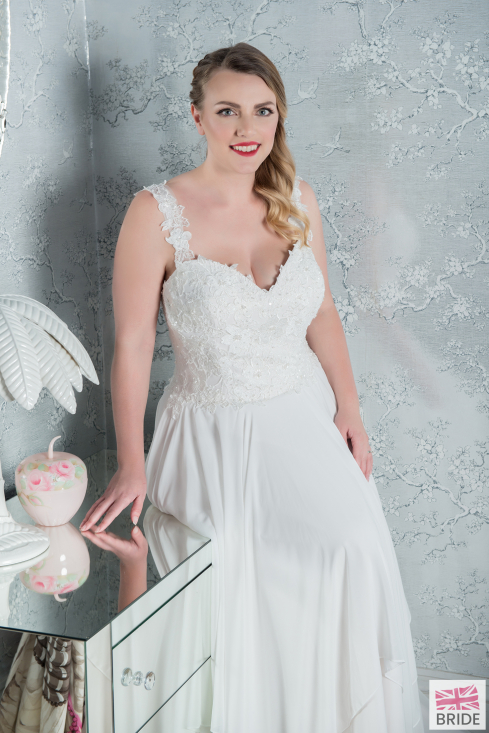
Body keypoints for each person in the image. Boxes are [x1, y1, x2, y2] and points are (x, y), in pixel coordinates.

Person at [80, 42, 424, 733]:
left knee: (351, 549)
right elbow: (133, 345)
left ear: (279, 116)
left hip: (300, 418)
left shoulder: (298, 200)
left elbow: (322, 313)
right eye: (227, 111)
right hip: (209, 430)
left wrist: (349, 408)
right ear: (197, 116)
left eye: (263, 111)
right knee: (239, 586)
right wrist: (131, 461)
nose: (247, 129)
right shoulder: (155, 212)